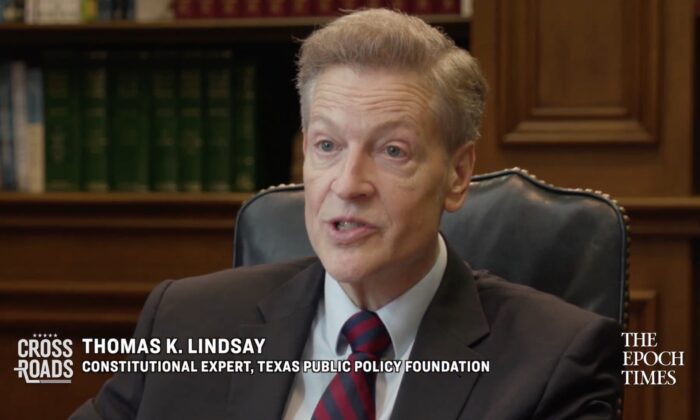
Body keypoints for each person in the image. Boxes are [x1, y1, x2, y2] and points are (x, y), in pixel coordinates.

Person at [72, 8, 623, 420]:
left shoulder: (555, 360)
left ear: (457, 175)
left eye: (392, 152)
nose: (348, 185)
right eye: (328, 146)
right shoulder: (186, 323)